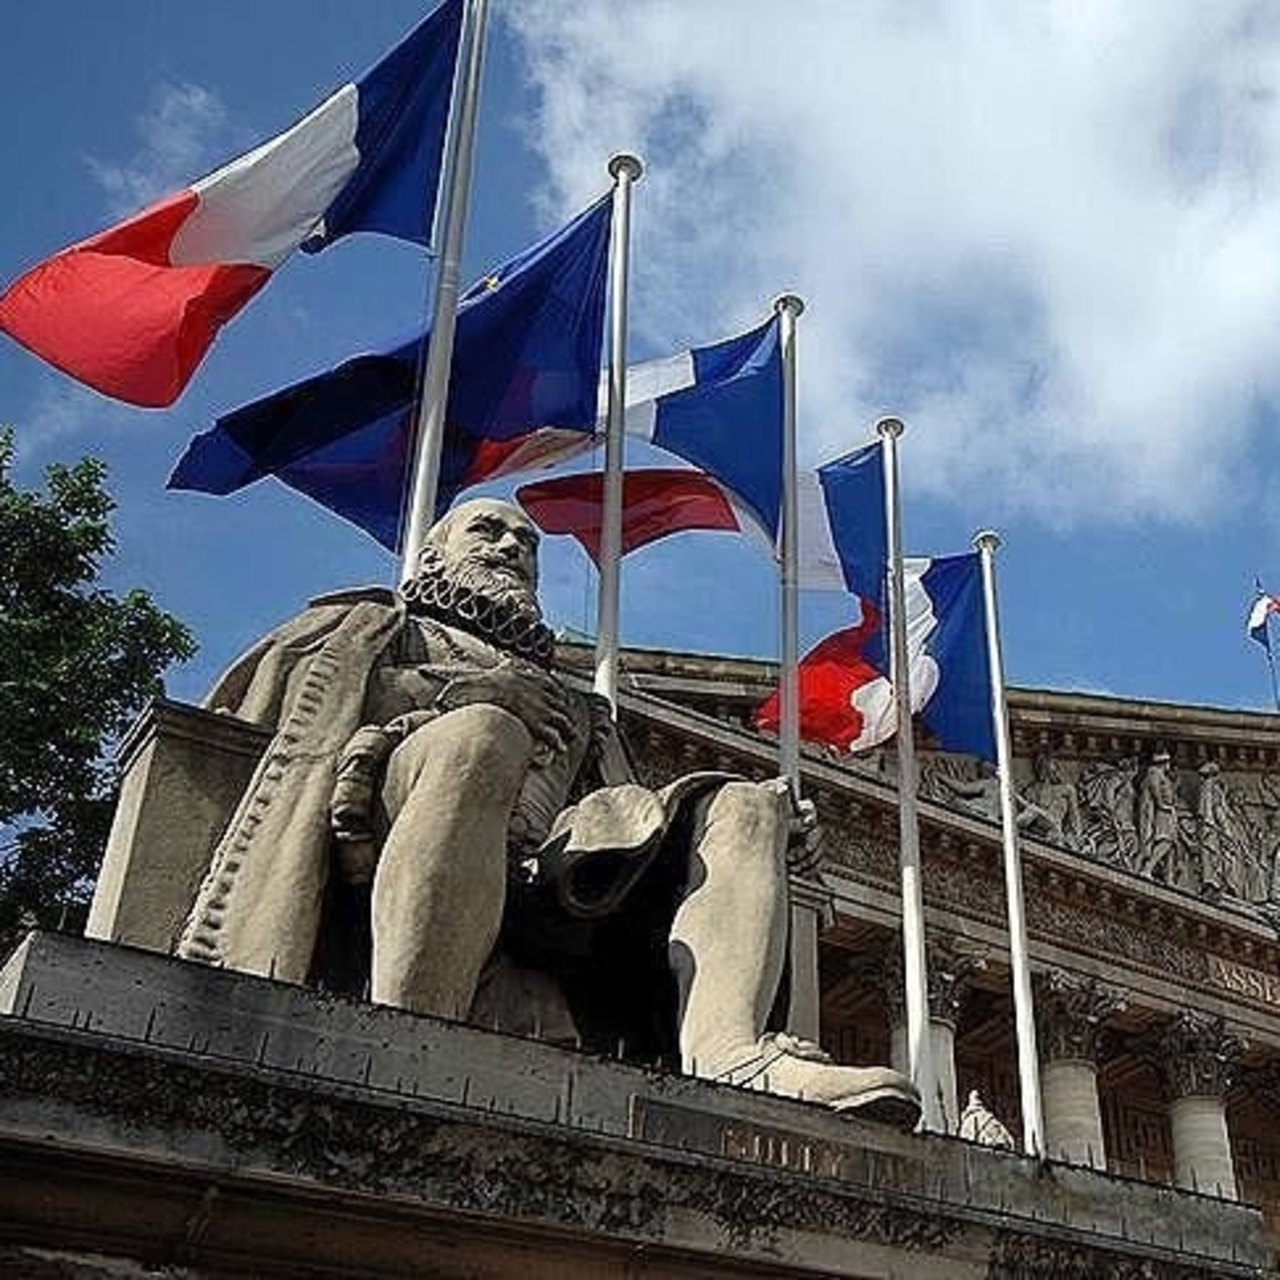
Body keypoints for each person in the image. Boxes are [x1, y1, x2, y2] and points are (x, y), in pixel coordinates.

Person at [177, 498, 919, 1126]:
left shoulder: (578, 706)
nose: (511, 547)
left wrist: (771, 843)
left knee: (747, 802)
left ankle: (730, 1056)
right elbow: (287, 711)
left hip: (549, 878)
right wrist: (467, 695)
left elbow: (626, 823)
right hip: (386, 820)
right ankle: (410, 1036)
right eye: (488, 532)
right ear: (434, 556)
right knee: (484, 736)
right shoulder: (380, 629)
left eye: (526, 543)